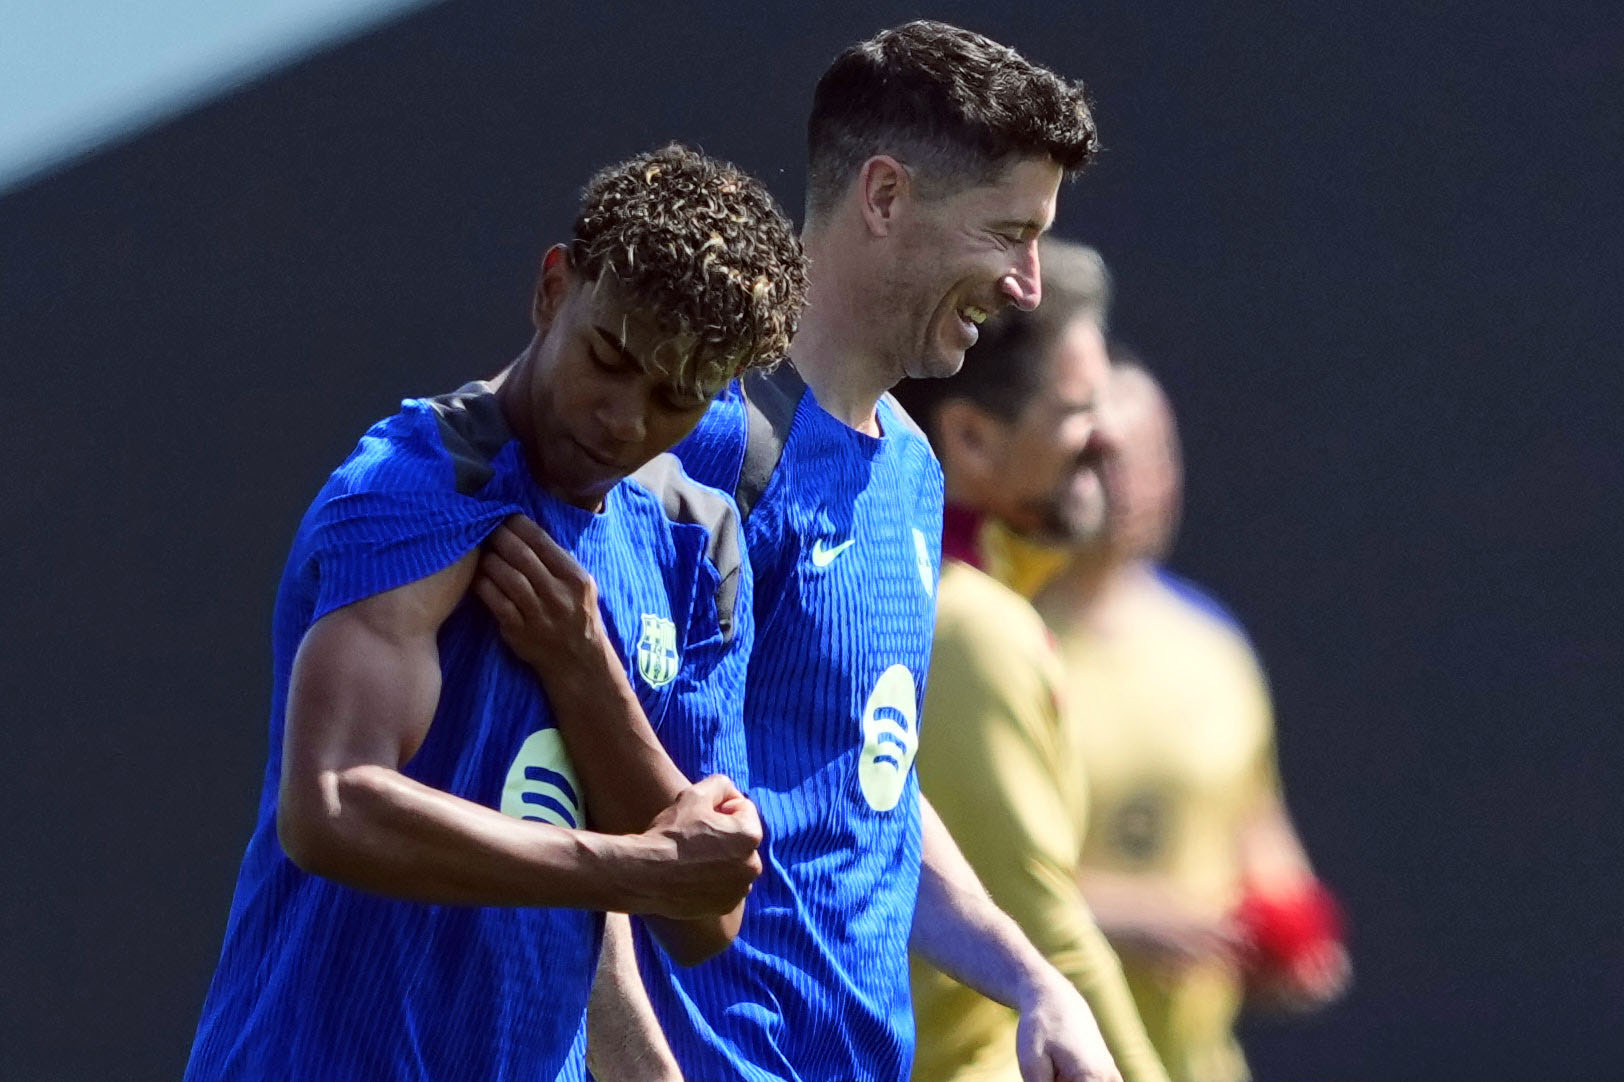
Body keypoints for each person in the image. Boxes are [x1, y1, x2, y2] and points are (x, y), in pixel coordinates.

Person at [182, 143, 809, 1082]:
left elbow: (702, 911)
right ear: (553, 289)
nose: (624, 420)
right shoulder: (421, 484)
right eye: (608, 358)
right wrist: (633, 867)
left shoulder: (693, 545)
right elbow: (334, 808)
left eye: (677, 397)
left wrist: (587, 673)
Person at [620, 21, 1119, 1082]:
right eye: (1007, 233)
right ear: (884, 198)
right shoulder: (700, 447)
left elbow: (863, 781)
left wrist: (1032, 977)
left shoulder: (913, 472)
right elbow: (584, 794)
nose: (1028, 283)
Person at [891, 239, 1168, 1082]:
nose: (1110, 438)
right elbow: (1047, 926)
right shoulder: (970, 628)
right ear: (970, 438)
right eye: (1078, 408)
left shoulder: (932, 599)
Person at [1029, 359, 1351, 1082]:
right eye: (1104, 458)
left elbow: (1253, 823)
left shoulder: (1214, 646)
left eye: (1155, 457)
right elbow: (947, 866)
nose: (1134, 485)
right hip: (1041, 1056)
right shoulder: (1000, 637)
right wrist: (1114, 920)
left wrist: (1291, 933)